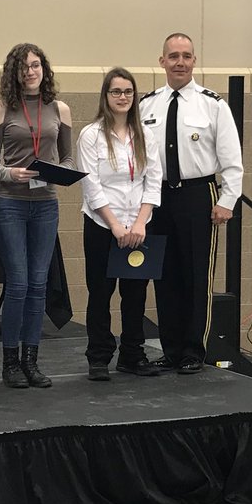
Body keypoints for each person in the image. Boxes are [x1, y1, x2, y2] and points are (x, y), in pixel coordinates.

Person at [140, 33, 242, 374]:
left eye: (186, 56)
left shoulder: (213, 104)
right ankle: (170, 349)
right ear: (162, 61)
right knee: (164, 276)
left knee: (197, 276)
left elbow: (232, 161)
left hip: (198, 195)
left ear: (194, 61)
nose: (180, 62)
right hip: (158, 197)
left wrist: (227, 200)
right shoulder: (147, 105)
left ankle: (193, 351)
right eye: (173, 56)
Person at [0, 43, 73, 388]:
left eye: (35, 65)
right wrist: (10, 173)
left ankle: (31, 361)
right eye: (23, 67)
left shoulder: (59, 109)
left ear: (44, 69)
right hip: (11, 202)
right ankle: (9, 362)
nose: (30, 71)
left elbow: (68, 159)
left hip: (46, 204)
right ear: (14, 72)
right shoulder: (0, 108)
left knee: (38, 284)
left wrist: (56, 173)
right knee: (18, 283)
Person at [77, 67, 163, 381]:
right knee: (100, 293)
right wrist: (114, 225)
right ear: (106, 95)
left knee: (135, 294)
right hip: (102, 225)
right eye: (116, 91)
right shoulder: (91, 135)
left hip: (139, 226)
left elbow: (153, 181)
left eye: (128, 91)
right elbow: (91, 185)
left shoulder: (145, 135)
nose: (123, 97)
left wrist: (140, 223)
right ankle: (99, 357)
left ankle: (132, 355)